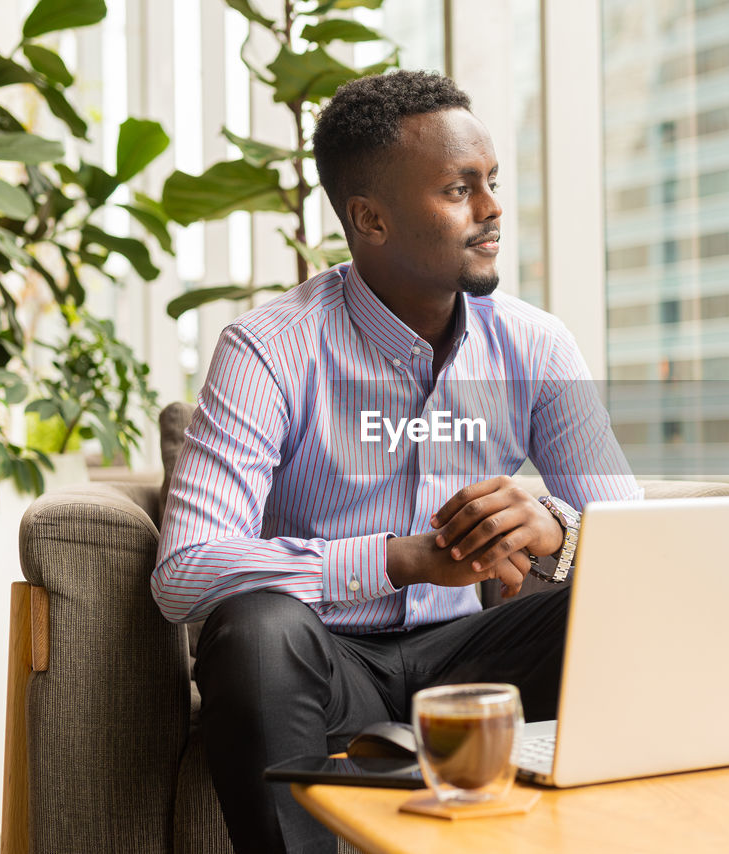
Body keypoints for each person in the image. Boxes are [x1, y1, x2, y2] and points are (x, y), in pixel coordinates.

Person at [153, 70, 640, 854]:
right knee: (256, 633)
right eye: (458, 190)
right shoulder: (269, 350)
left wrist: (556, 532)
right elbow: (184, 573)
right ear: (370, 219)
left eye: (491, 184)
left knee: (630, 610)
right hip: (323, 661)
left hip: (475, 660)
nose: (492, 211)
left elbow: (640, 546)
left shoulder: (535, 344)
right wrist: (397, 559)